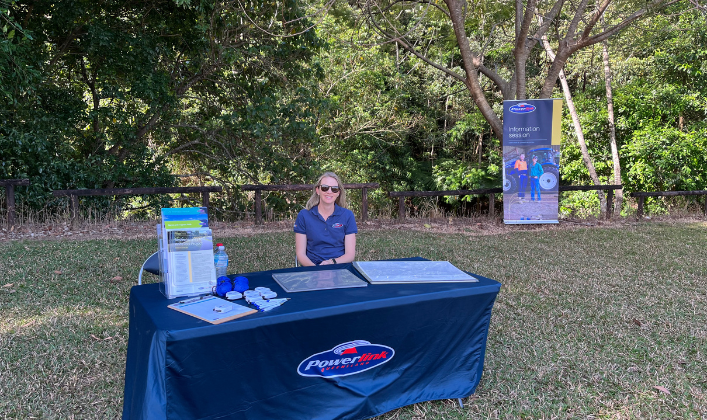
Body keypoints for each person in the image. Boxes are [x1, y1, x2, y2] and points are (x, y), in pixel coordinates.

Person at [294, 172, 357, 266]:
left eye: (334, 189)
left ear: (338, 193)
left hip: (339, 268)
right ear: (317, 190)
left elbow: (350, 255)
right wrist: (316, 271)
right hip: (312, 269)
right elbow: (300, 254)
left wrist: (331, 262)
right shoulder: (303, 215)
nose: (329, 191)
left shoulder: (347, 215)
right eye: (325, 188)